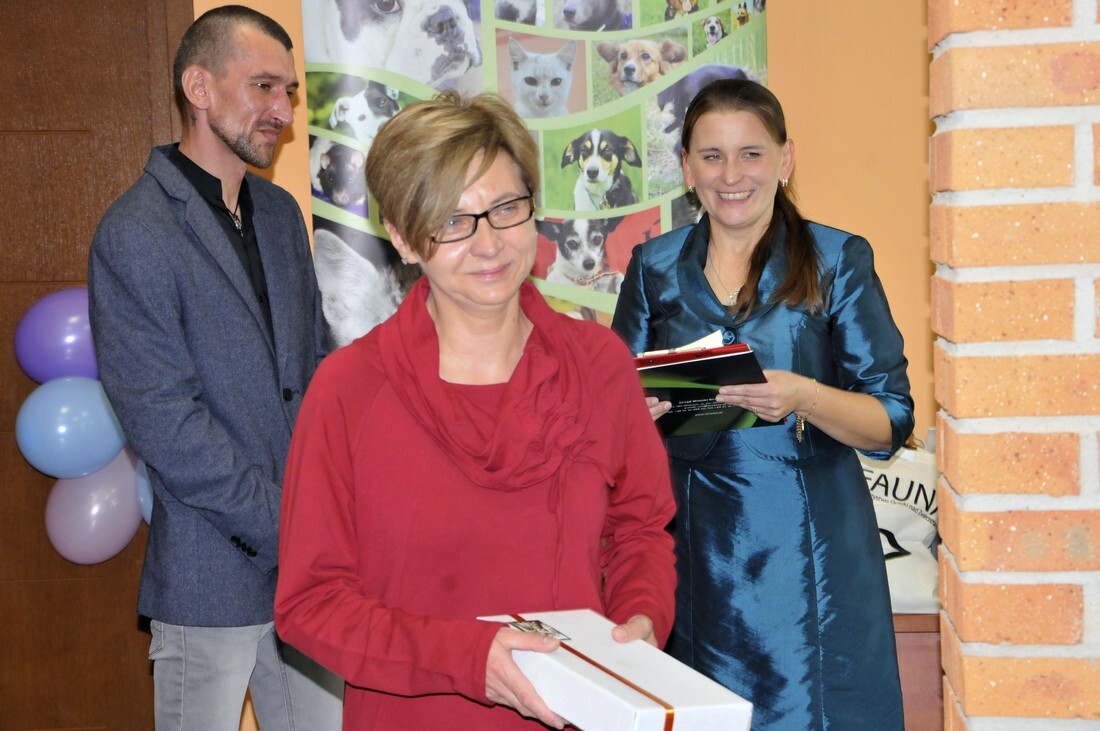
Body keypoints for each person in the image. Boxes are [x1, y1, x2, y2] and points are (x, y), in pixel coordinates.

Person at [274, 92, 677, 731]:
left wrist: (642, 616)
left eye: (506, 209)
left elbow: (638, 529)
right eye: (454, 221)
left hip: (580, 713)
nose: (489, 243)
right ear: (404, 238)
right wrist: (465, 658)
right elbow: (311, 605)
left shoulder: (599, 366)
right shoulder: (348, 389)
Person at [611, 78, 913, 730]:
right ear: (686, 167)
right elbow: (612, 417)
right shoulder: (653, 267)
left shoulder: (838, 259)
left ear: (785, 158)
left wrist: (804, 394)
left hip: (813, 561)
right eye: (712, 156)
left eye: (751, 153)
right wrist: (637, 417)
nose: (731, 175)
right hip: (691, 557)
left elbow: (891, 419)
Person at [87, 6, 343, 730]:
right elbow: (166, 423)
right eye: (263, 86)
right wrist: (290, 521)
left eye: (289, 91)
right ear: (199, 88)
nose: (283, 110)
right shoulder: (134, 232)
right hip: (209, 577)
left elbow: (315, 370)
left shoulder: (281, 213)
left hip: (310, 577)